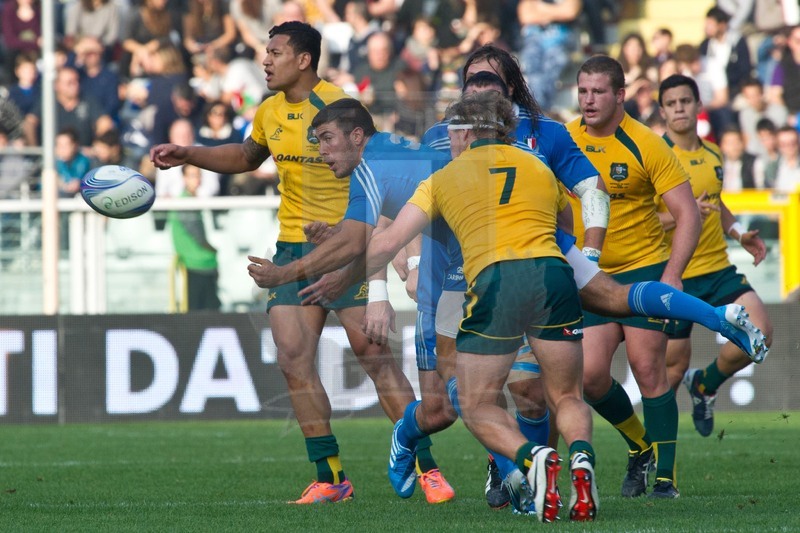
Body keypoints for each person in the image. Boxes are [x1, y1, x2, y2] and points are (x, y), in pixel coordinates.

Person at [151, 21, 419, 505]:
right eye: (264, 52)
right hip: (292, 247)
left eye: (274, 52)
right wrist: (189, 153)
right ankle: (331, 477)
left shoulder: (339, 107)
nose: (265, 61)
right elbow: (248, 155)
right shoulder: (270, 109)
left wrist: (390, 252)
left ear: (303, 59)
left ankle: (425, 468)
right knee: (294, 362)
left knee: (375, 360)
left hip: (345, 247)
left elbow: (376, 177)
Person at [365, 90, 600, 523]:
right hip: (542, 278)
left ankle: (530, 464)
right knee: (450, 406)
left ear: (468, 131)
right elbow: (565, 226)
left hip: (488, 283)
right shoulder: (537, 165)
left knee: (483, 402)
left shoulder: (443, 176)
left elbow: (384, 240)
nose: (448, 141)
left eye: (453, 132)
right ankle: (579, 460)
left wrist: (351, 263)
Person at [244, 98, 456, 504]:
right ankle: (332, 477)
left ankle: (431, 466)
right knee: (466, 386)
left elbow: (367, 237)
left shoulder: (369, 165)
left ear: (356, 136)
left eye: (326, 140)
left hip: (465, 258)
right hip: (455, 252)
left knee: (455, 387)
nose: (321, 152)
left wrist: (283, 274)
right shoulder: (385, 152)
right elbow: (377, 226)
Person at [567, 55, 701, 499]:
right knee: (588, 377)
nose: (588, 100)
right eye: (583, 91)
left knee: (648, 368)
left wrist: (673, 275)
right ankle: (639, 445)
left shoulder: (646, 143)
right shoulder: (565, 139)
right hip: (591, 273)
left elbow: (687, 215)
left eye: (598, 91)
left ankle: (666, 477)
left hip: (644, 268)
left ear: (620, 95)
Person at [656, 74, 773, 438]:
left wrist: (740, 234)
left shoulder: (712, 153)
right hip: (674, 272)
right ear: (662, 111)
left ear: (697, 105)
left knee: (761, 335)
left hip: (717, 267)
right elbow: (640, 219)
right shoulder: (655, 155)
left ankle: (705, 385)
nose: (679, 108)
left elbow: (715, 202)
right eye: (672, 103)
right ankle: (653, 454)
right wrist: (681, 214)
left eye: (685, 101)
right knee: (672, 369)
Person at [168, 164, 222, 311]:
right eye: (192, 175)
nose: (197, 179)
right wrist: (212, 250)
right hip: (195, 265)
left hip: (198, 263)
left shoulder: (191, 200)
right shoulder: (185, 202)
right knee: (201, 312)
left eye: (198, 175)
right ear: (184, 178)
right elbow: (196, 234)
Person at [55, 127, 92, 198]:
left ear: (74, 145)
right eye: (58, 145)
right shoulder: (54, 163)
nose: (61, 149)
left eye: (65, 145)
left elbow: (73, 183)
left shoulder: (83, 161)